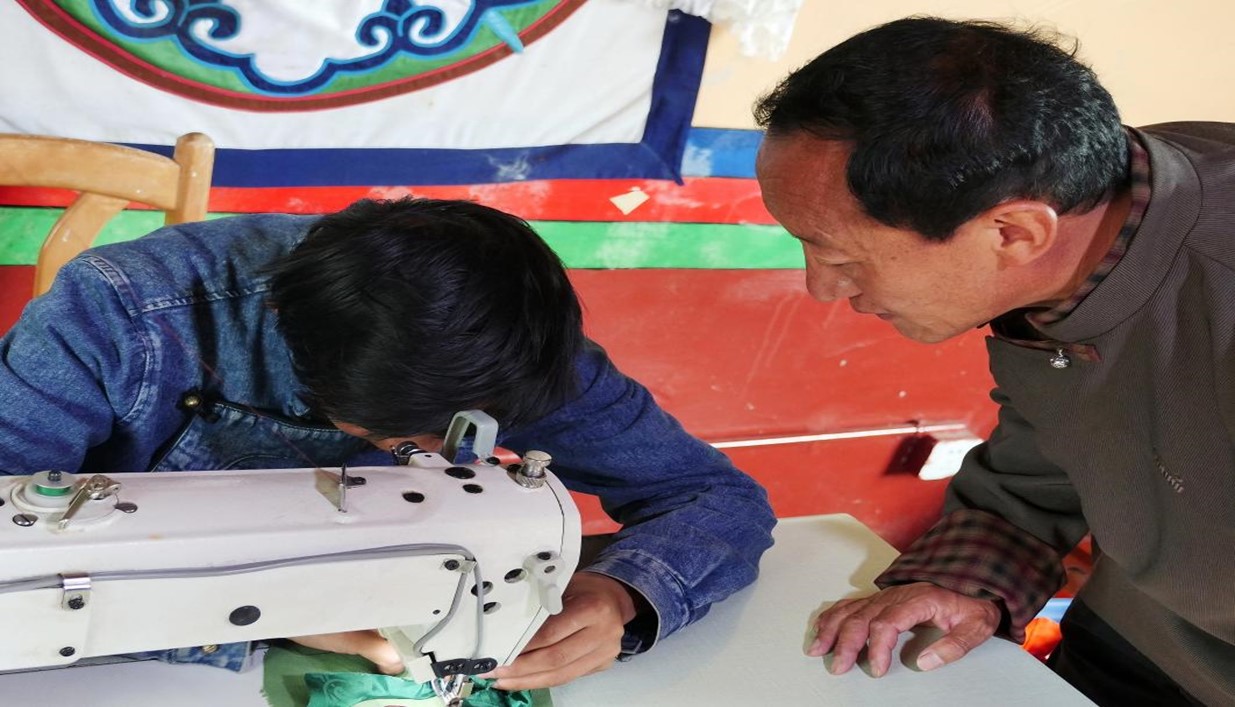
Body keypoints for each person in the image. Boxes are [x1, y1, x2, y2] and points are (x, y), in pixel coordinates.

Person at [0, 197, 775, 690]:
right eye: (407, 438)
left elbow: (715, 496)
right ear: (302, 352)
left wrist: (624, 595)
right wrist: (269, 614)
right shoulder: (122, 312)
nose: (439, 451)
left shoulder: (517, 354)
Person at [753, 16, 1233, 707]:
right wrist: (962, 580)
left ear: (1013, 232)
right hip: (1133, 631)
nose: (821, 289)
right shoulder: (1088, 206)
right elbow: (1061, 440)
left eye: (840, 257)